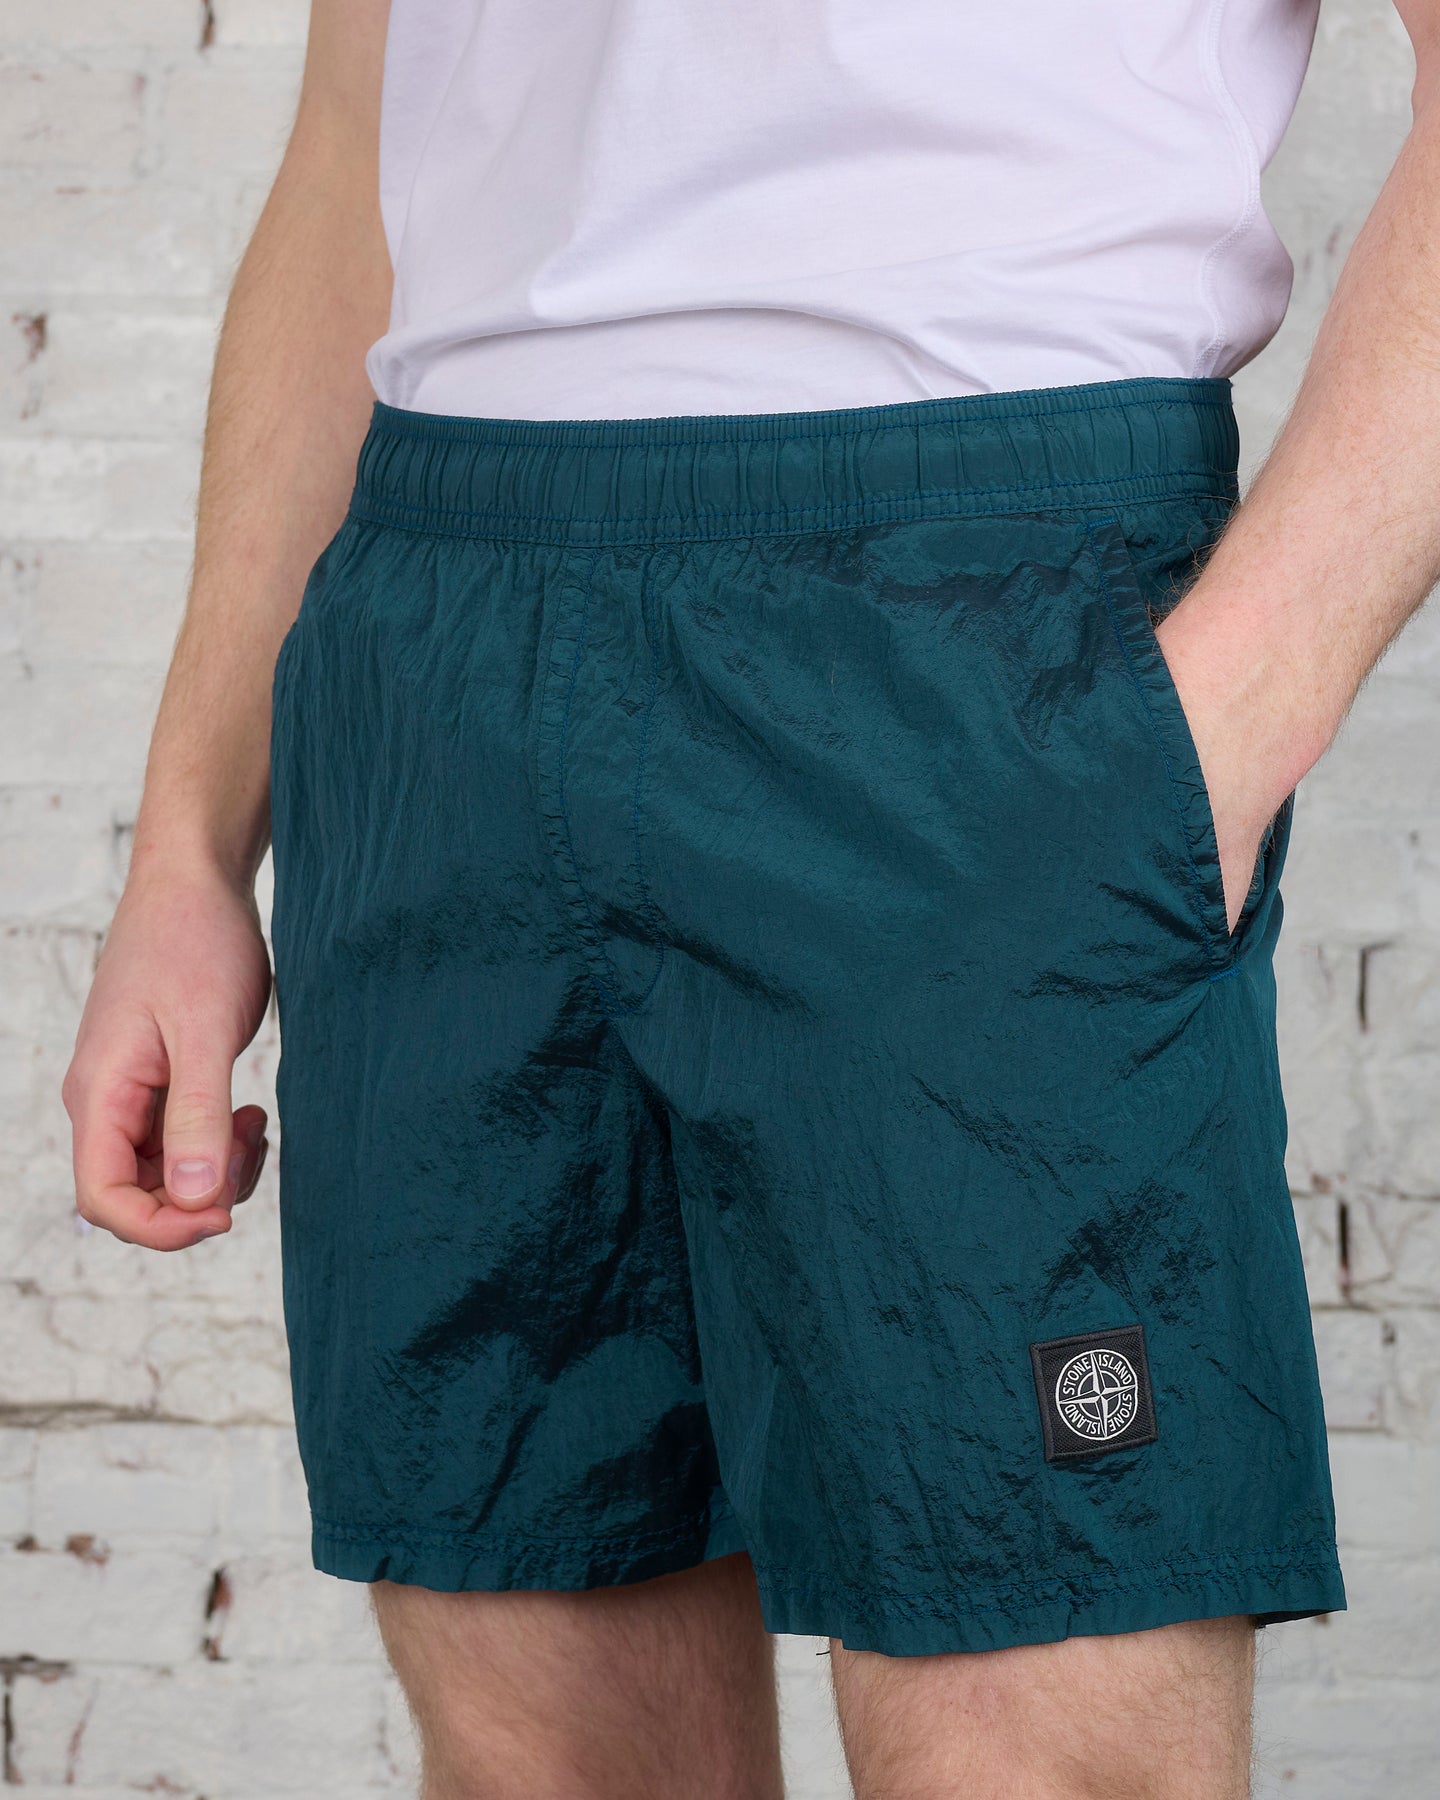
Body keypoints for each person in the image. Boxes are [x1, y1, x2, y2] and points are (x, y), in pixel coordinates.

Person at [60, 1, 1440, 1793]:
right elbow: (352, 148)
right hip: (444, 649)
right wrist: (189, 841)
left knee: (1032, 1737)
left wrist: (1208, 741)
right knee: (534, 1741)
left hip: (974, 621)